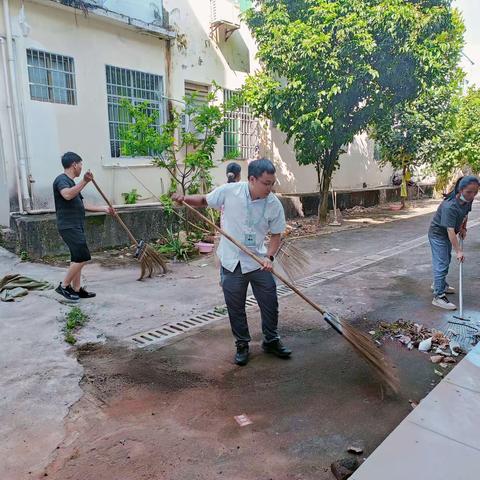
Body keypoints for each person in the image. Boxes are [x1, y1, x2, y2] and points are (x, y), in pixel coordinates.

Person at [173, 158, 291, 366]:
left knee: (270, 301)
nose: (270, 188)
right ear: (252, 179)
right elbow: (203, 200)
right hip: (231, 261)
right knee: (235, 307)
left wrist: (269, 257)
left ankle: (271, 340)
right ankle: (242, 344)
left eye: (272, 183)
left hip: (258, 261)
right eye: (266, 183)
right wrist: (184, 198)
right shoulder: (229, 192)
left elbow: (275, 235)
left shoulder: (273, 204)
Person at [53, 152, 113, 301]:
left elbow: (82, 204)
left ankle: (77, 289)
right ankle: (64, 286)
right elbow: (66, 195)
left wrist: (104, 208)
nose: (81, 167)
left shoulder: (72, 183)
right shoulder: (62, 180)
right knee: (83, 257)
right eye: (80, 164)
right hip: (68, 226)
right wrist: (85, 181)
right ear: (74, 164)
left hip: (75, 225)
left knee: (77, 257)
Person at [429, 175, 479, 310]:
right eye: (469, 192)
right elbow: (450, 231)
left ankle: (439, 284)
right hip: (438, 235)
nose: (472, 195)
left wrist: (463, 227)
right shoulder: (449, 206)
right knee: (442, 263)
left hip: (448, 234)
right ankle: (438, 296)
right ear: (460, 190)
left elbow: (465, 214)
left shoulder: (468, 200)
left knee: (446, 259)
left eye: (475, 192)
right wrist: (459, 251)